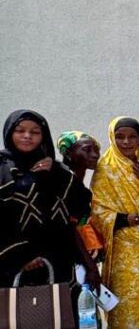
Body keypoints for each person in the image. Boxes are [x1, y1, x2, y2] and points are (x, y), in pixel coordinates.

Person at [91, 117, 139, 328]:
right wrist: (134, 218)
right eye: (120, 137)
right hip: (123, 250)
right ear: (111, 138)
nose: (126, 142)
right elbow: (98, 212)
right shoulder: (105, 169)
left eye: (132, 137)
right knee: (128, 304)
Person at [0, 110, 92, 291]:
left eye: (35, 132)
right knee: (16, 317)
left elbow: (81, 209)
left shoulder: (57, 169)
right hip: (13, 269)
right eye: (20, 130)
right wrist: (20, 257)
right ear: (10, 133)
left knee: (60, 316)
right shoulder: (2, 169)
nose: (27, 136)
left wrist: (56, 174)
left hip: (59, 266)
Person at [56, 131, 104, 279]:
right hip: (69, 260)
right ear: (69, 153)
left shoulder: (76, 181)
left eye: (96, 149)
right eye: (86, 149)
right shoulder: (64, 182)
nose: (95, 155)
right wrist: (90, 266)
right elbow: (69, 228)